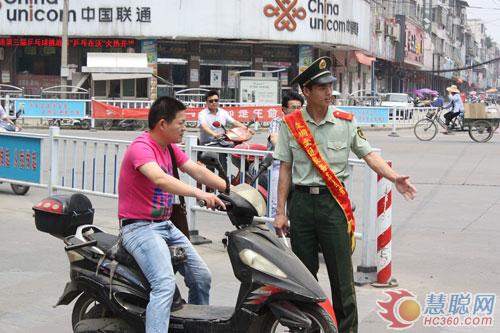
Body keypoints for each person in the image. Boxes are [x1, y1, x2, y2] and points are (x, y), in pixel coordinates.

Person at [273, 57, 417, 333]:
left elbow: (369, 155)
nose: (329, 92)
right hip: (301, 204)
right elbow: (285, 169)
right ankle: (308, 328)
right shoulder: (290, 124)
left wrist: (393, 177)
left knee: (342, 279)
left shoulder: (345, 122)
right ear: (306, 91)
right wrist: (280, 211)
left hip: (332, 205)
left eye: (330, 86)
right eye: (322, 87)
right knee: (304, 277)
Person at [118, 96, 227, 333]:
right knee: (164, 285)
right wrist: (199, 194)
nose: (184, 128)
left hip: (164, 225)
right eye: (181, 123)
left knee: (201, 276)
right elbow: (160, 179)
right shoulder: (141, 148)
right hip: (139, 227)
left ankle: (197, 328)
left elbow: (196, 170)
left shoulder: (169, 149)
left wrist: (231, 190)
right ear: (162, 124)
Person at [267, 92, 304, 218]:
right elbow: (275, 139)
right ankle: (273, 233)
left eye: (299, 107)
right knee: (275, 204)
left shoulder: (304, 124)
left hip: (299, 165)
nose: (297, 111)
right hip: (278, 164)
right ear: (284, 109)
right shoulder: (278, 122)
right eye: (293, 107)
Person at [198, 90, 248, 171]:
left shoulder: (223, 112)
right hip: (208, 143)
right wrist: (215, 135)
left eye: (216, 100)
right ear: (206, 102)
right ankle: (221, 179)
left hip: (222, 142)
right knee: (215, 161)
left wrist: (246, 128)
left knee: (239, 148)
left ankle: (243, 172)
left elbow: (234, 122)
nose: (214, 102)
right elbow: (204, 127)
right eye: (211, 101)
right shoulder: (202, 114)